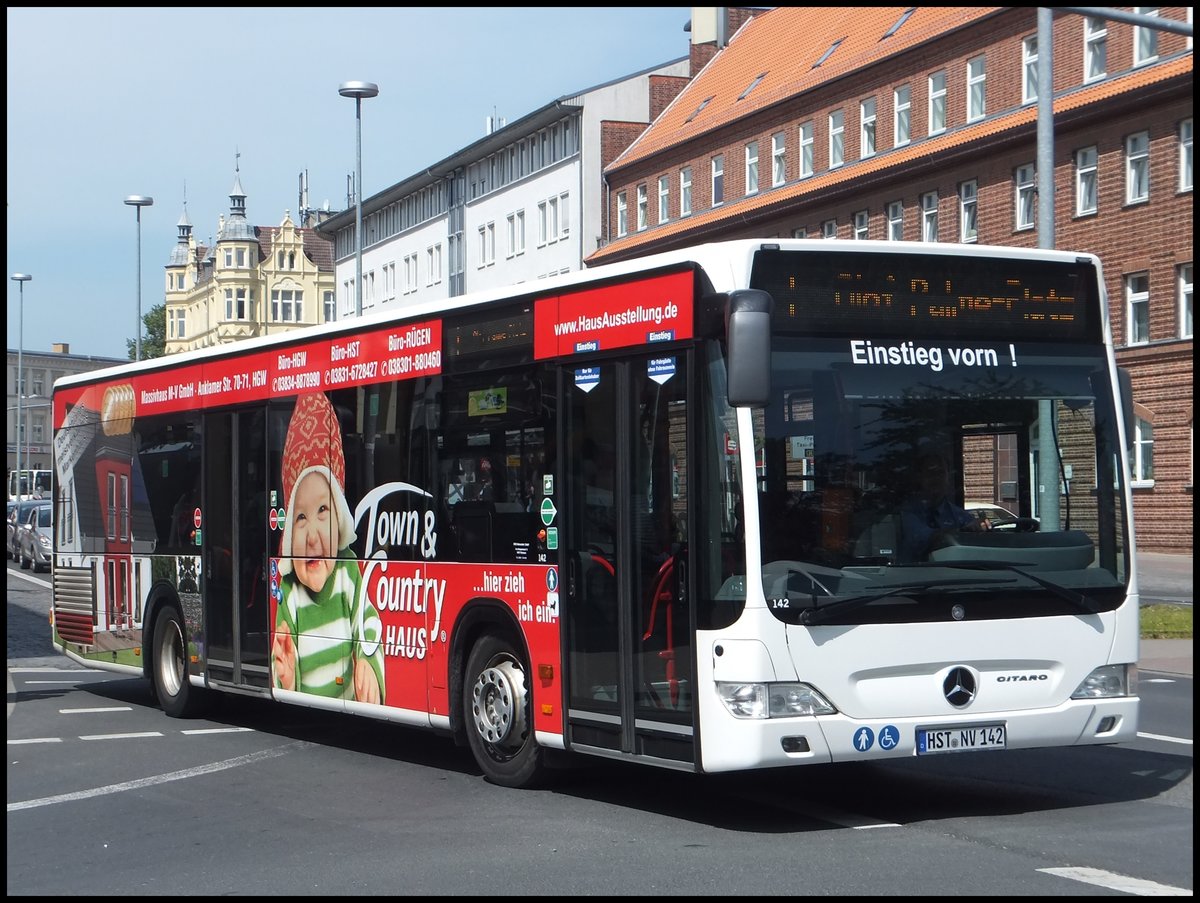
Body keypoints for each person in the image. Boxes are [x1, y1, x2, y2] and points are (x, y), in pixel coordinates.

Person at [270, 391, 385, 704]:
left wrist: (369, 664)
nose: (311, 536)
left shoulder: (348, 570)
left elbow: (369, 623)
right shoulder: (290, 593)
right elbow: (280, 653)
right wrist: (287, 675)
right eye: (301, 517)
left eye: (323, 510)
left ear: (340, 520)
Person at [899, 451, 990, 561]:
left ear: (948, 477)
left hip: (953, 574)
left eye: (941, 473)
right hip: (909, 574)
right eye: (930, 473)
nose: (936, 478)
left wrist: (980, 528)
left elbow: (975, 536)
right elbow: (923, 539)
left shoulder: (958, 514)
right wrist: (959, 532)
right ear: (920, 477)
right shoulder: (907, 512)